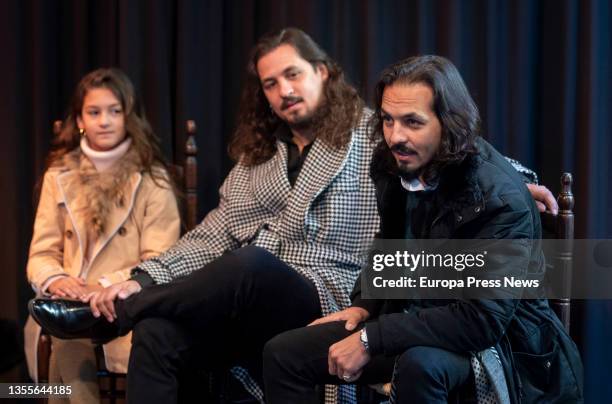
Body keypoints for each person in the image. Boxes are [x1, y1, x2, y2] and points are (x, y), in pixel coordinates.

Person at [30, 30, 557, 404]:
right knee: (161, 331)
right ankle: (132, 309)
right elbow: (211, 234)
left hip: (328, 287)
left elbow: (455, 147)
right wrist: (140, 278)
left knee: (250, 262)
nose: (283, 90)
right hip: (256, 298)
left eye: (293, 74)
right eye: (269, 83)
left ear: (322, 73)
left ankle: (112, 316)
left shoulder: (372, 130)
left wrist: (520, 178)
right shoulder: (257, 157)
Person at [262, 55, 583, 404]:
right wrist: (366, 304)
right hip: (413, 321)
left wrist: (373, 338)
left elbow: (481, 321)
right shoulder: (393, 163)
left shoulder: (500, 200)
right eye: (387, 120)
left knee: (420, 365)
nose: (395, 136)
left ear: (448, 123)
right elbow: (390, 244)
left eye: (412, 122)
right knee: (283, 353)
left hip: (498, 348)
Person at [24, 68, 181, 403]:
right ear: (80, 119)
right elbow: (42, 252)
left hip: (126, 303)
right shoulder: (59, 175)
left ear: (129, 116)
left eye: (115, 111)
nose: (104, 121)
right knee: (65, 327)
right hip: (69, 301)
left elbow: (161, 258)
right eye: (94, 112)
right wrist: (56, 280)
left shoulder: (152, 178)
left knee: (66, 334)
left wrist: (105, 286)